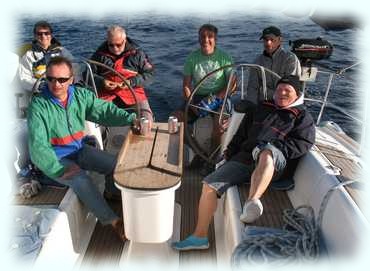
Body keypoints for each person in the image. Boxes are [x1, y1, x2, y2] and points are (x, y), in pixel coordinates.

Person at [172, 75, 315, 250]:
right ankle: (199, 237)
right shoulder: (262, 107)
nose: (281, 93)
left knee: (266, 153)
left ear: (297, 94)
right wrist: (229, 153)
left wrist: (271, 147)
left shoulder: (302, 117)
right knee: (209, 185)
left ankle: (252, 202)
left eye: (287, 90)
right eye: (279, 89)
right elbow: (240, 134)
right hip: (245, 159)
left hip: (274, 165)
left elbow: (303, 144)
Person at [27, 56, 139, 240]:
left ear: (71, 79)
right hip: (56, 159)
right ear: (46, 78)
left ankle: (111, 193)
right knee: (81, 180)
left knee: (115, 164)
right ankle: (113, 222)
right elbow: (38, 147)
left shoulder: (80, 96)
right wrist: (59, 168)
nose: (56, 84)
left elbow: (103, 111)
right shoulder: (38, 106)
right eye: (51, 79)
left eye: (62, 79)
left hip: (79, 150)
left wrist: (130, 119)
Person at [173, 24, 234, 168]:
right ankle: (200, 154)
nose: (206, 40)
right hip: (198, 97)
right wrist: (192, 104)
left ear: (216, 39)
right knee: (175, 120)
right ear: (198, 38)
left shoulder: (225, 57)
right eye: (202, 36)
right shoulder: (192, 58)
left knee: (219, 124)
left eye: (210, 36)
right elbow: (187, 86)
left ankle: (213, 161)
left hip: (220, 97)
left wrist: (217, 98)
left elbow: (232, 84)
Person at [90, 25, 154, 125]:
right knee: (96, 119)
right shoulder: (99, 55)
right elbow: (88, 75)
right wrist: (102, 82)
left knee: (146, 121)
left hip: (133, 92)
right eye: (111, 45)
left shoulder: (137, 54)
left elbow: (150, 74)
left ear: (124, 40)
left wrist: (131, 82)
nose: (115, 48)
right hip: (107, 94)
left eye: (118, 45)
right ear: (107, 42)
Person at [245, 26, 301, 104]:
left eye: (272, 39)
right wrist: (251, 106)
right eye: (265, 40)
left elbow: (290, 88)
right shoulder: (257, 61)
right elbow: (252, 87)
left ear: (280, 40)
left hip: (286, 102)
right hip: (264, 103)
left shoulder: (290, 58)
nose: (268, 43)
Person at [18, 20, 74, 93]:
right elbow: (24, 79)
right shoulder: (29, 56)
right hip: (42, 93)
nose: (43, 36)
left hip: (63, 89)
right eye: (39, 34)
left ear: (51, 35)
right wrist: (40, 85)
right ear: (35, 36)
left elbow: (74, 69)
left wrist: (74, 83)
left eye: (46, 33)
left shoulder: (62, 51)